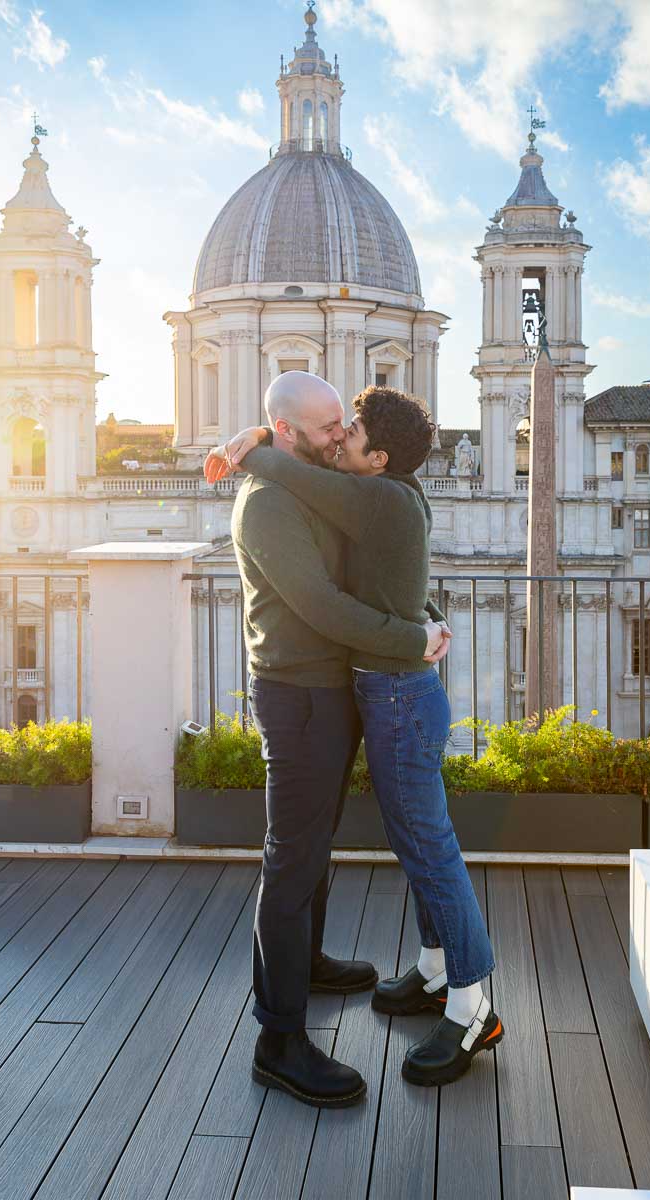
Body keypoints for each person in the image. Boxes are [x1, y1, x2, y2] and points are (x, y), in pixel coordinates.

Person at [208, 383, 502, 1089]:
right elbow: (324, 602)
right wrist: (414, 634)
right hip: (306, 694)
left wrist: (252, 444)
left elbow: (297, 461)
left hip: (359, 689)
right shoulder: (280, 497)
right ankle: (279, 1039)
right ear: (291, 429)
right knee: (297, 859)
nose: (339, 436)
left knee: (369, 845)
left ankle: (419, 984)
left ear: (378, 453)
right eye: (330, 427)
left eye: (349, 426)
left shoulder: (354, 488)